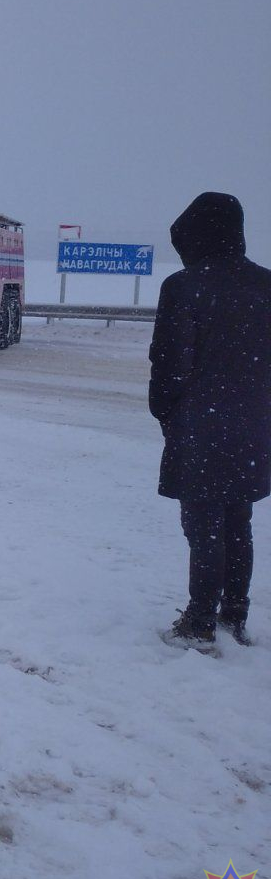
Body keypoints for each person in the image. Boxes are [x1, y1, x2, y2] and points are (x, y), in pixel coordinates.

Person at [150, 192, 271, 649]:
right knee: (239, 522)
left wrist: (167, 413)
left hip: (200, 425)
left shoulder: (184, 287)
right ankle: (234, 617)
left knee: (203, 528)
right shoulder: (266, 285)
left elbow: (168, 366)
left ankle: (199, 622)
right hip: (254, 425)